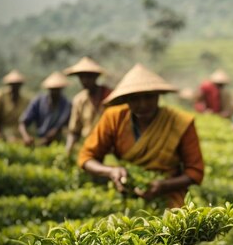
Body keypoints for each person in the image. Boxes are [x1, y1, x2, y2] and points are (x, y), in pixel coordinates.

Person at [78, 63, 204, 208]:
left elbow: (195, 172)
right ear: (126, 99)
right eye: (135, 98)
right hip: (125, 193)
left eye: (148, 97)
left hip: (169, 196)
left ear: (158, 95)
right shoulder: (114, 118)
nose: (143, 104)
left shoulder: (181, 122)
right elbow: (87, 158)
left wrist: (164, 185)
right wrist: (111, 171)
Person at [63, 56, 112, 156]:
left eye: (89, 76)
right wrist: (68, 151)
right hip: (88, 147)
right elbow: (74, 131)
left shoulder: (109, 96)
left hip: (109, 148)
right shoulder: (79, 100)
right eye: (82, 77)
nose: (85, 80)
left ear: (96, 76)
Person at [19, 71, 72, 147]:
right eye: (52, 89)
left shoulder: (66, 104)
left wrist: (55, 131)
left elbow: (66, 125)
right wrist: (26, 137)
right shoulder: (38, 101)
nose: (55, 92)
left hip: (58, 143)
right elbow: (23, 123)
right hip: (38, 139)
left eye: (57, 89)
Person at [0, 69, 30, 141]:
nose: (15, 87)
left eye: (17, 85)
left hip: (18, 135)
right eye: (12, 85)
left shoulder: (25, 100)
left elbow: (24, 122)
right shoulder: (0, 95)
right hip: (2, 132)